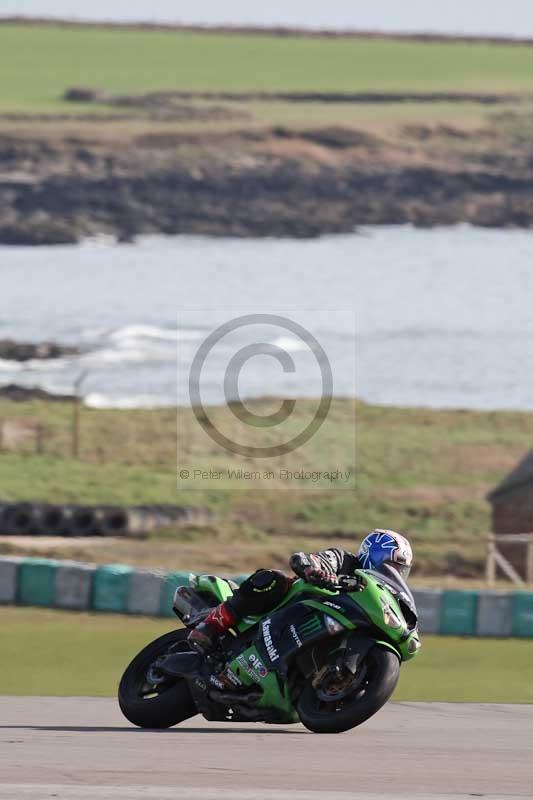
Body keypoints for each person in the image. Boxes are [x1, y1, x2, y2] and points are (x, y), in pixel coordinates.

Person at [188, 529, 413, 653]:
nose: (393, 572)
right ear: (373, 554)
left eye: (399, 569)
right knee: (272, 579)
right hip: (287, 608)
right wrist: (315, 570)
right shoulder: (344, 560)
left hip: (318, 629)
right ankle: (211, 625)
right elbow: (310, 559)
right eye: (391, 564)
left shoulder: (379, 596)